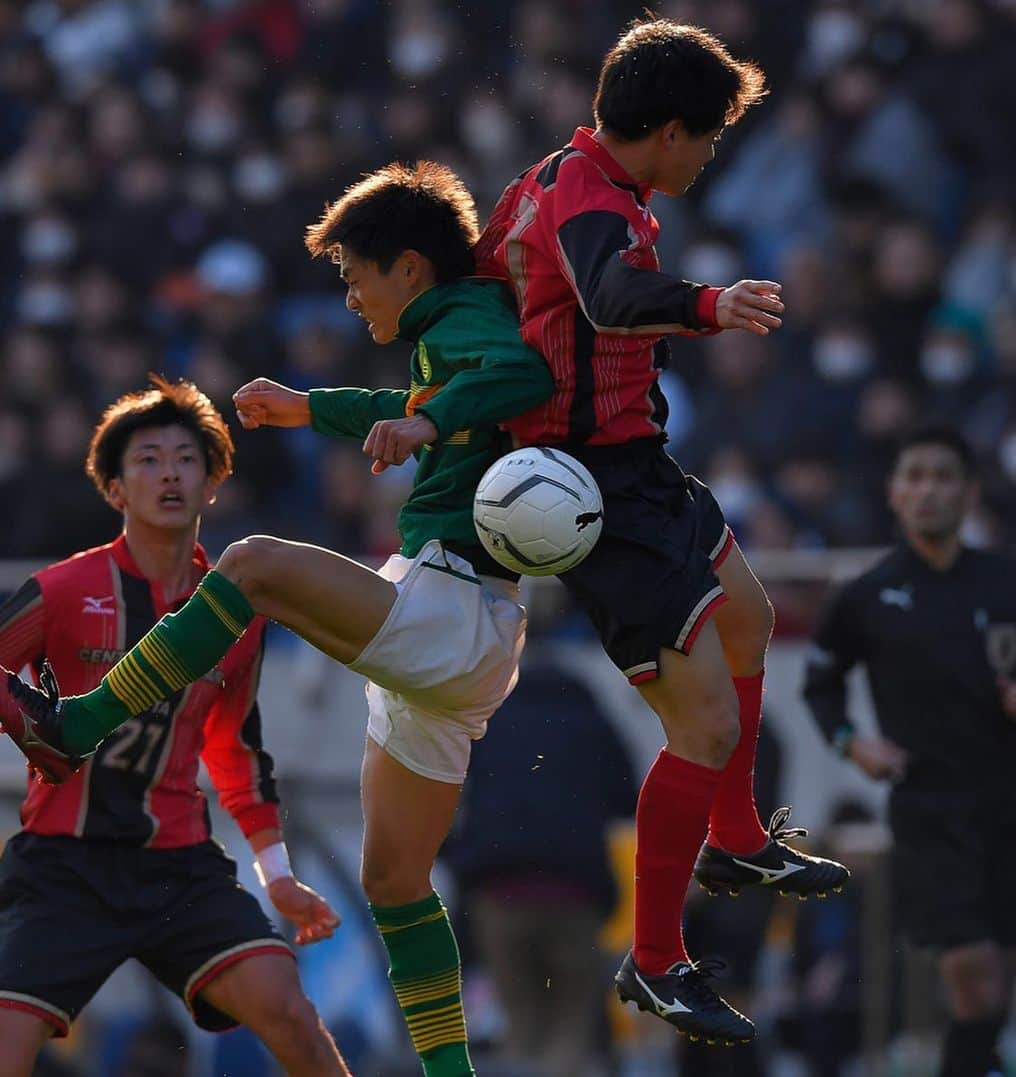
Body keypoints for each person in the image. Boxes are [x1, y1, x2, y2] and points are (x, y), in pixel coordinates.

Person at [0, 160, 555, 1077]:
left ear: (408, 268)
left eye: (354, 275)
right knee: (396, 884)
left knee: (247, 567)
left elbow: (515, 376)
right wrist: (309, 407)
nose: (350, 297)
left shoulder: (466, 319)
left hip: (452, 606)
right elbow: (415, 406)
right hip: (463, 629)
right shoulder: (449, 327)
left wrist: (427, 420)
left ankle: (78, 722)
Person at [473, 15, 849, 1043]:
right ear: (673, 131)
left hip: (634, 466)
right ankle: (655, 962)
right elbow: (603, 296)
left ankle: (734, 837)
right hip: (594, 499)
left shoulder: (558, 179)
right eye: (712, 135)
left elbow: (488, 283)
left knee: (751, 622)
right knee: (709, 727)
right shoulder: (592, 195)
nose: (713, 155)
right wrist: (707, 303)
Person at [0, 377, 350, 1077]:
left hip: (177, 870)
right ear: (115, 489)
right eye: (148, 459)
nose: (169, 473)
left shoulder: (232, 613)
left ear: (213, 480)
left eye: (187, 459)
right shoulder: (63, 590)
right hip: (60, 868)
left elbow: (237, 752)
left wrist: (277, 874)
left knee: (289, 1011)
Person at [803, 424, 1016, 1077]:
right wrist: (851, 741)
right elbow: (821, 681)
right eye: (914, 475)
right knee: (974, 975)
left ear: (969, 491)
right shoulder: (867, 596)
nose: (928, 489)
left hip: (1007, 800)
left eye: (942, 475)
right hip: (929, 807)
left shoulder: (1005, 580)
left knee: (994, 991)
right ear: (894, 494)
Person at [441, 654, 637, 1077]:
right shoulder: (593, 722)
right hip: (575, 896)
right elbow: (628, 799)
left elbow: (443, 788)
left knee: (522, 1025)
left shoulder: (488, 721)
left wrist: (458, 856)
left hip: (500, 896)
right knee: (572, 1027)